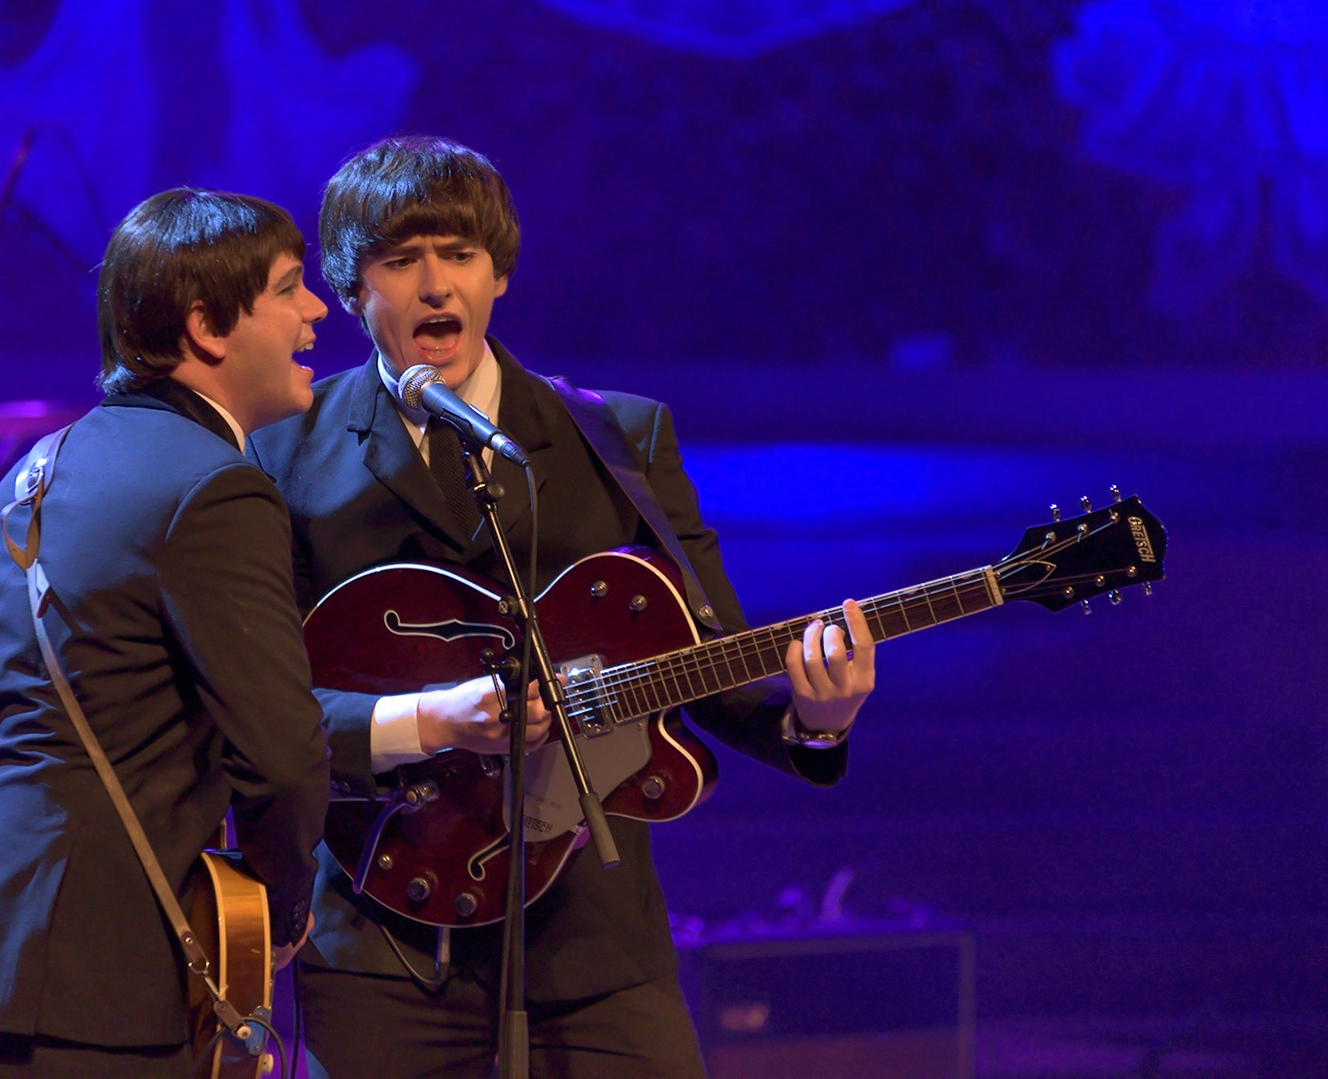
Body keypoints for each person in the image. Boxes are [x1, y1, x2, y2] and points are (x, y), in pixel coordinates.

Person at [250, 137, 876, 1078]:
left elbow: (708, 651)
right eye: (400, 259)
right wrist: (428, 722)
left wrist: (813, 721)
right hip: (383, 936)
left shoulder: (617, 437)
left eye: (458, 255)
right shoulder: (282, 452)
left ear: (497, 272)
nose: (434, 286)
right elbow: (262, 705)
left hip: (590, 938)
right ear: (352, 286)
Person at [0, 188, 333, 1079]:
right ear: (208, 325)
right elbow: (282, 752)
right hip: (84, 983)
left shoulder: (33, 471)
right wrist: (279, 916)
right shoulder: (216, 488)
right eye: (289, 288)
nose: (317, 310)